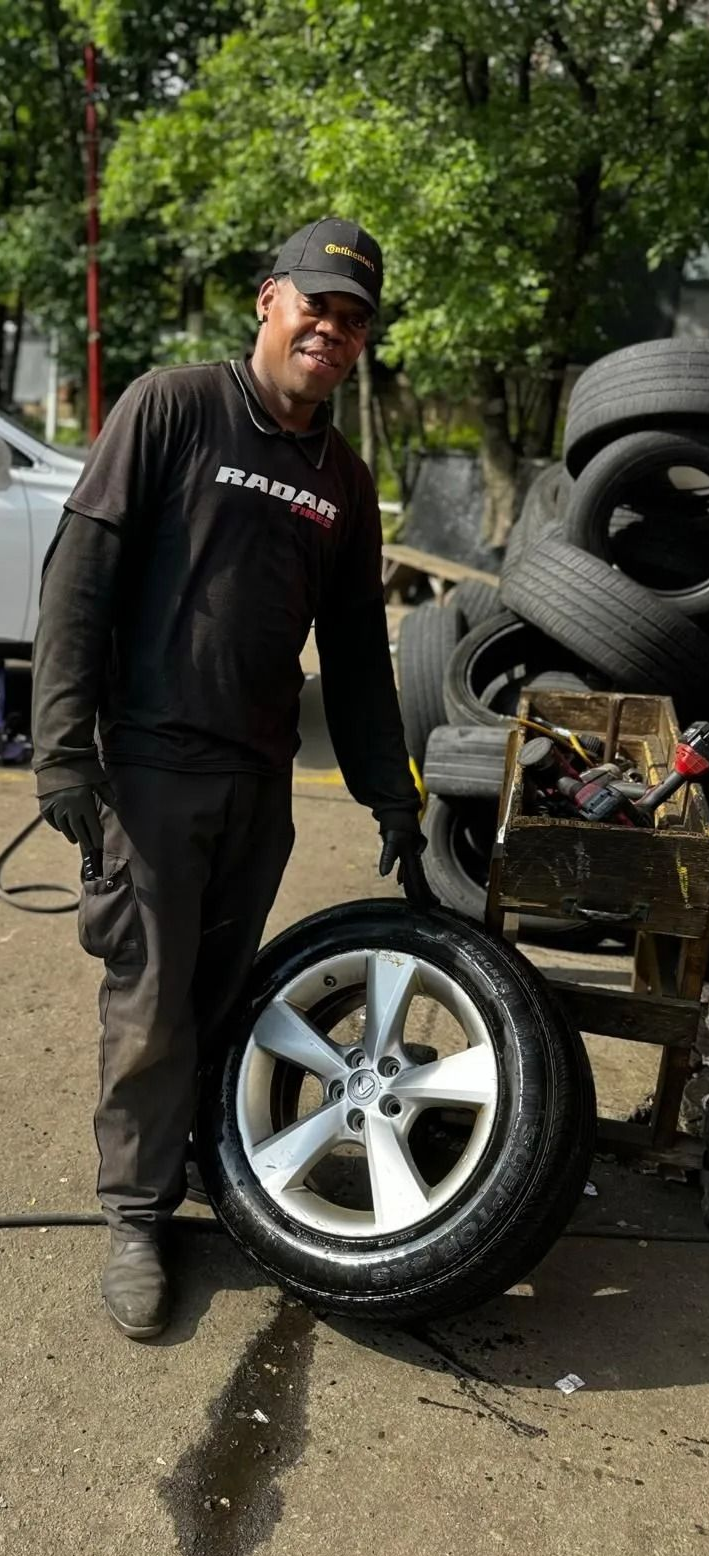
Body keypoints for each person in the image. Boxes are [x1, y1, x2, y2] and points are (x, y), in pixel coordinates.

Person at [31, 216, 433, 1341]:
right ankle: (133, 1214)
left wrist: (388, 792)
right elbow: (81, 577)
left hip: (259, 783)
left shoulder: (344, 481)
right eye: (317, 306)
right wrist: (62, 747)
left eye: (353, 321)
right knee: (151, 1005)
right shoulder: (173, 406)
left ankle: (202, 1168)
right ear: (270, 300)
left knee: (223, 996)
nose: (332, 331)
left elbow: (356, 656)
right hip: (153, 768)